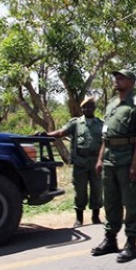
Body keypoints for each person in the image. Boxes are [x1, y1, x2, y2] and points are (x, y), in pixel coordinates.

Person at [90, 69, 136, 263]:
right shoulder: (111, 105)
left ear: (131, 82)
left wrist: (135, 163)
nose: (116, 80)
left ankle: (131, 243)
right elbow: (106, 136)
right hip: (109, 159)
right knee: (111, 201)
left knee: (131, 203)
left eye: (121, 78)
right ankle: (110, 240)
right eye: (116, 77)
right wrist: (100, 159)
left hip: (127, 158)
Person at [44, 96, 103, 228]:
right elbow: (61, 132)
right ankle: (79, 219)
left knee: (97, 190)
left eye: (89, 107)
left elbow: (106, 142)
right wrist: (46, 135)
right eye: (84, 107)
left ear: (94, 108)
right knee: (80, 191)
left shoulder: (101, 124)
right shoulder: (75, 123)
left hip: (95, 163)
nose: (87, 109)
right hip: (80, 163)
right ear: (81, 109)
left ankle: (96, 217)